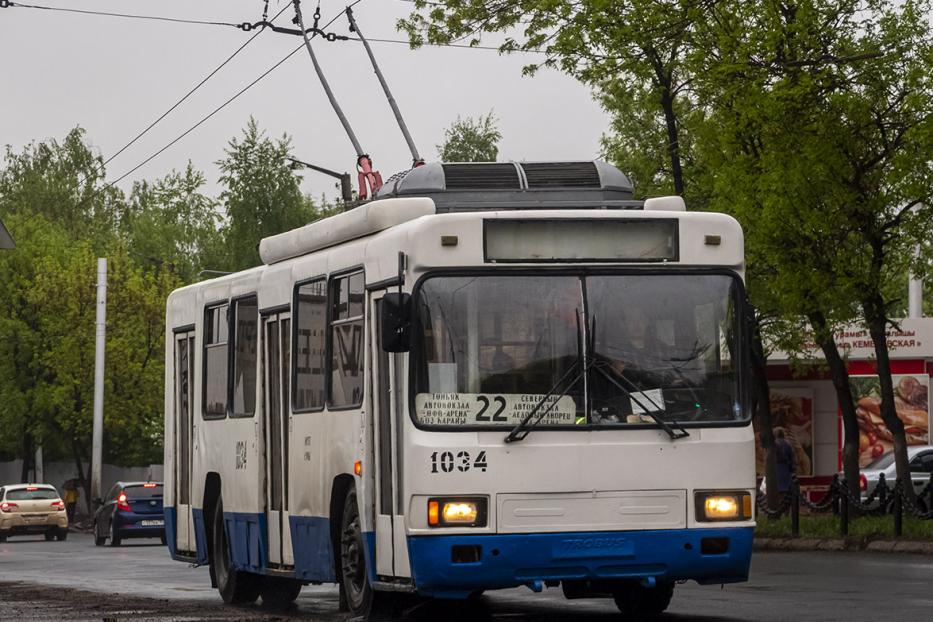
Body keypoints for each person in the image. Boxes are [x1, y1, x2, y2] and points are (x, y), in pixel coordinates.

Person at [774, 428, 796, 493]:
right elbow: (792, 458)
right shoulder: (788, 444)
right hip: (785, 469)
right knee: (786, 490)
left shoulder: (773, 444)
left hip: (775, 470)